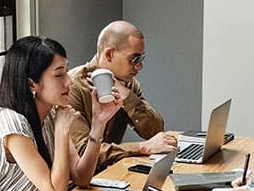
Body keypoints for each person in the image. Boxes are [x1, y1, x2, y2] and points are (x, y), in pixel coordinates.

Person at [0, 36, 122, 191]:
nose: (69, 81)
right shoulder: (12, 124)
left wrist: (98, 123)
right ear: (31, 84)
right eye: (59, 74)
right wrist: (61, 132)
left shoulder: (52, 113)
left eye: (66, 71)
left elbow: (81, 177)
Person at [68, 20, 178, 171]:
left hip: (109, 173)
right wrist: (141, 148)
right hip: (78, 183)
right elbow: (83, 152)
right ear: (109, 54)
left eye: (141, 59)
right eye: (134, 59)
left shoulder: (128, 83)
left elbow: (155, 131)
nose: (139, 67)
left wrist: (127, 96)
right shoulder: (72, 86)